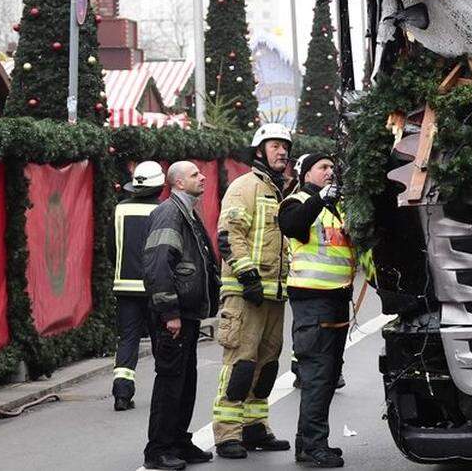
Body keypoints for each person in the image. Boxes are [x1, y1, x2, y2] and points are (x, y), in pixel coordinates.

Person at [278, 153, 374, 468]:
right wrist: (320, 198)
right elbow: (292, 226)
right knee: (318, 376)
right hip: (312, 302)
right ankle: (312, 446)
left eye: (334, 167)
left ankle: (310, 443)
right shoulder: (296, 202)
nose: (331, 171)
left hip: (335, 301)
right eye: (323, 167)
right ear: (307, 173)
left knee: (329, 375)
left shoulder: (335, 208)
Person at [211, 123, 294, 459]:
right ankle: (227, 433)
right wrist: (249, 278)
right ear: (259, 150)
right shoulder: (244, 186)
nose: (282, 152)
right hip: (246, 292)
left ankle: (255, 426)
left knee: (268, 364)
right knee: (240, 363)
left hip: (275, 293)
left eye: (285, 146)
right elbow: (229, 234)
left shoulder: (281, 190)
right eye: (275, 145)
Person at [141, 161, 219, 470]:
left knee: (186, 381)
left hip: (187, 314)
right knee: (171, 382)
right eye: (194, 175)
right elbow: (158, 266)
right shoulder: (169, 213)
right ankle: (158, 449)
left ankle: (178, 441)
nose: (202, 178)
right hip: (174, 316)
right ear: (178, 184)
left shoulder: (187, 212)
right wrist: (169, 312)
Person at [109, 161, 165, 412]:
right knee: (160, 341)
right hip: (156, 288)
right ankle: (165, 394)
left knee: (128, 339)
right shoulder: (164, 211)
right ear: (160, 186)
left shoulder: (119, 210)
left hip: (125, 287)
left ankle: (122, 393)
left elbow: (111, 248)